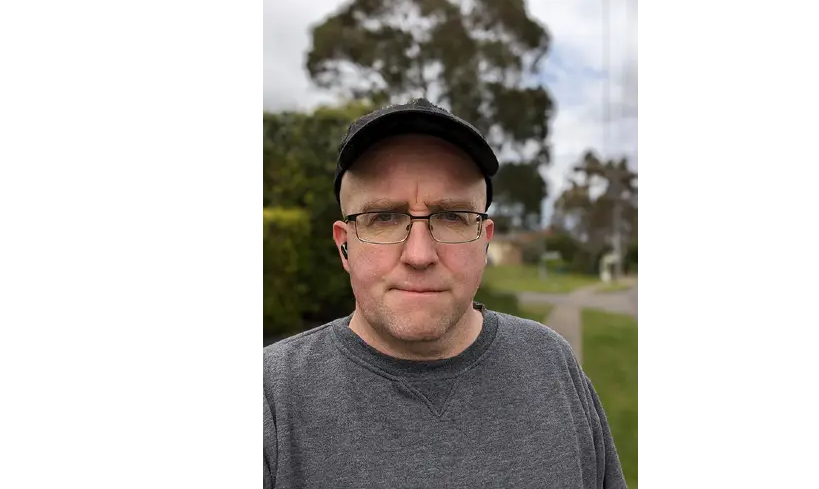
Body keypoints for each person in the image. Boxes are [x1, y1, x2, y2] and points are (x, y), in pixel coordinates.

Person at [256, 98, 627, 489]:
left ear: (485, 242)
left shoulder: (552, 365)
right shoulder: (271, 398)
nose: (419, 255)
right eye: (384, 217)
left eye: (452, 216)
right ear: (344, 245)